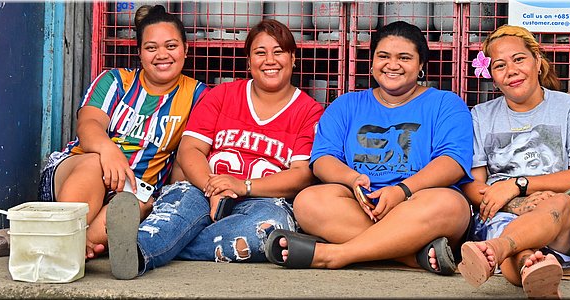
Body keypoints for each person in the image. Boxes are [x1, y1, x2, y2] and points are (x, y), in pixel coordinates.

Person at [103, 19, 324, 280]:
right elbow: (190, 150)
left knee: (267, 231)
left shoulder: (309, 110)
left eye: (278, 52)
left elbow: (301, 174)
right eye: (260, 52)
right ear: (249, 60)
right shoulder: (222, 95)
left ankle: (158, 244)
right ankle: (136, 254)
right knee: (179, 205)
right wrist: (212, 186)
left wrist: (244, 186)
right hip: (204, 188)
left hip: (265, 200)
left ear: (293, 58)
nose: (270, 60)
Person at [264, 21, 474, 275]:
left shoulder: (446, 104)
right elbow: (322, 159)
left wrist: (402, 191)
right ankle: (411, 255)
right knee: (309, 201)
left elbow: (453, 162)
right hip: (361, 206)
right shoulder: (346, 105)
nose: (392, 65)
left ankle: (336, 254)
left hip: (419, 202)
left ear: (420, 66)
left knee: (450, 204)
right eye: (383, 56)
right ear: (372, 62)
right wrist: (353, 179)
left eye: (404, 57)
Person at [38, 5, 207, 259]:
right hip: (78, 171)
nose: (162, 54)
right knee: (95, 163)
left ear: (185, 49)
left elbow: (190, 152)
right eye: (151, 48)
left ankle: (69, 246)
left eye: (171, 46)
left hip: (134, 191)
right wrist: (109, 151)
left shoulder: (198, 96)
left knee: (133, 206)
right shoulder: (116, 80)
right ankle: (64, 236)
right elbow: (88, 125)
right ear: (139, 53)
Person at [457, 25, 570, 298]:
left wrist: (518, 185)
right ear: (492, 75)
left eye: (519, 59)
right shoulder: (480, 116)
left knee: (558, 201)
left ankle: (497, 250)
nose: (511, 70)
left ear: (537, 61)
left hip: (567, 223)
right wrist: (518, 204)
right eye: (499, 65)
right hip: (504, 214)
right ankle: (532, 269)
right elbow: (472, 186)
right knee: (524, 250)